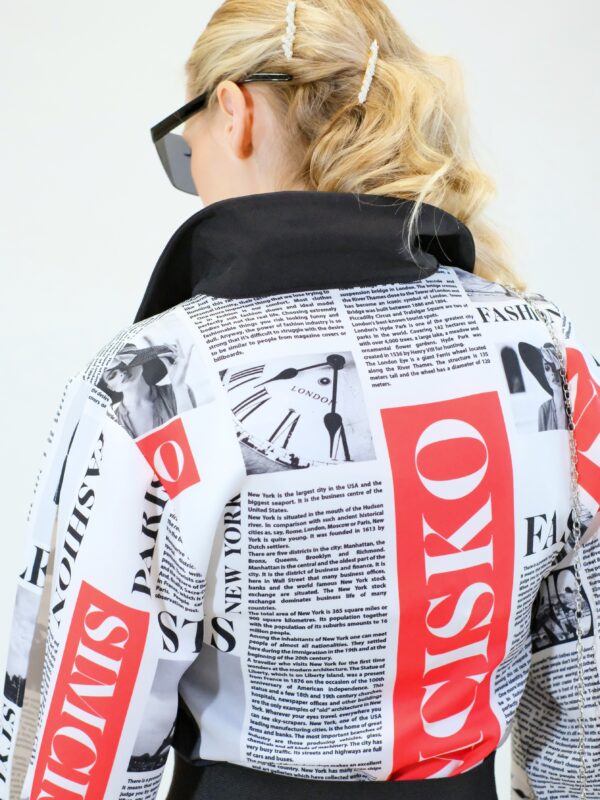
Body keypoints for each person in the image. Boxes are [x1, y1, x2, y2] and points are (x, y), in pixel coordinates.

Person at [1, 2, 598, 800]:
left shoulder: (156, 381)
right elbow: (582, 712)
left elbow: (76, 751)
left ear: (234, 113)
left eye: (187, 153)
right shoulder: (550, 352)